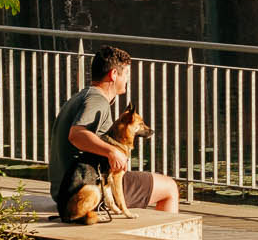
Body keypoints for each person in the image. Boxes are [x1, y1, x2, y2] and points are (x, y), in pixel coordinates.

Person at [47, 46, 178, 224]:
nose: (127, 80)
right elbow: (76, 135)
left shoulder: (82, 96)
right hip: (87, 188)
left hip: (65, 190)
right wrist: (112, 152)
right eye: (126, 74)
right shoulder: (97, 100)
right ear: (113, 74)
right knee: (169, 187)